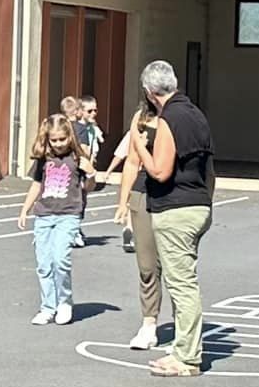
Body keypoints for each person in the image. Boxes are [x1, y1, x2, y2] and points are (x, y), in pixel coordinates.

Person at [135, 59, 215, 378]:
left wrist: (139, 145)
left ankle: (187, 357)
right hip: (198, 204)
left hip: (176, 210)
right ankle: (184, 348)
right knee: (183, 282)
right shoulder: (196, 114)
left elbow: (159, 171)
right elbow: (209, 168)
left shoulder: (170, 118)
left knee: (182, 285)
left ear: (149, 91)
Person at [19, 113, 94, 326]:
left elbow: (88, 188)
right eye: (54, 140)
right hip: (44, 214)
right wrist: (25, 209)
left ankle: (64, 302)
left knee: (60, 259)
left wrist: (91, 174)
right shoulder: (44, 159)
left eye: (62, 139)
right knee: (44, 264)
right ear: (48, 139)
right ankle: (47, 307)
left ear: (70, 136)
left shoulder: (77, 158)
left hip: (68, 215)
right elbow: (36, 185)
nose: (59, 144)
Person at [111, 102, 166, 349]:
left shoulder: (181, 116)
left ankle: (184, 326)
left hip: (174, 195)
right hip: (143, 192)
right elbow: (132, 162)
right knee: (147, 265)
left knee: (175, 267)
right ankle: (149, 324)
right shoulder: (141, 118)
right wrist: (123, 202)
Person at [73, 97, 104, 247]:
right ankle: (73, 229)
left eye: (95, 110)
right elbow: (83, 151)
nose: (93, 113)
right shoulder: (79, 128)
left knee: (83, 198)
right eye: (89, 111)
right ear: (80, 112)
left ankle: (76, 227)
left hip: (87, 167)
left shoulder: (90, 128)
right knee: (78, 199)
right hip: (80, 169)